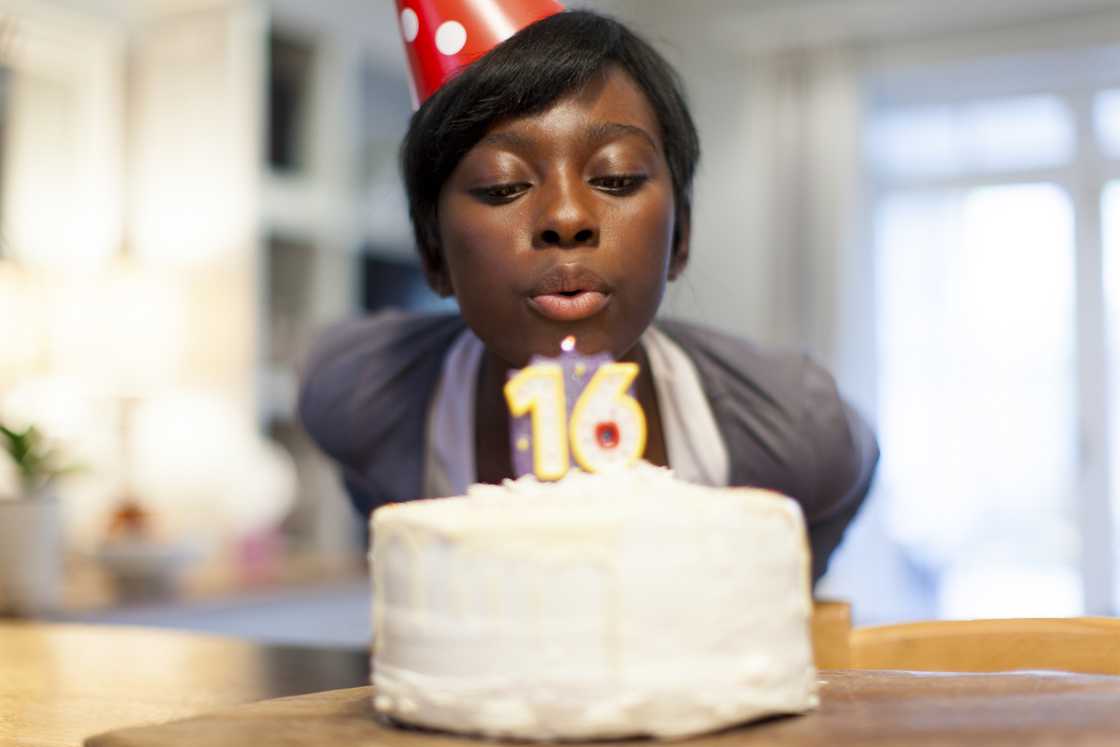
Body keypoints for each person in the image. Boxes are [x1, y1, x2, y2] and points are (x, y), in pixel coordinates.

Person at [299, 6, 878, 583]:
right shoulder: (367, 395)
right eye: (503, 185)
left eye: (617, 179)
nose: (567, 217)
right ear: (432, 252)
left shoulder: (790, 421)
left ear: (681, 237)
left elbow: (852, 470)